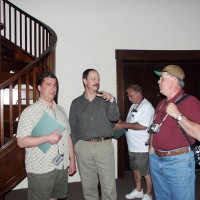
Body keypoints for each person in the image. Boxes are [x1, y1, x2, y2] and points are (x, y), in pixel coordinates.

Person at [17, 72, 76, 200]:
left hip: (61, 165)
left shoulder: (61, 110)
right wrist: (47, 138)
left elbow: (68, 136)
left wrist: (72, 160)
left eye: (55, 85)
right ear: (39, 88)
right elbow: (21, 142)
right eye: (48, 85)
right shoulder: (29, 112)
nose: (53, 88)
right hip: (41, 167)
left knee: (54, 197)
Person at [149, 65, 200, 200]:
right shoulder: (160, 104)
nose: (158, 81)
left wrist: (178, 115)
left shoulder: (190, 101)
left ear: (173, 80)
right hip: (156, 159)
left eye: (161, 78)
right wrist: (151, 151)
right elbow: (155, 128)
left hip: (178, 162)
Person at [69, 68, 120, 200]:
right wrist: (76, 146)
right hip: (84, 147)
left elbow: (115, 118)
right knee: (89, 186)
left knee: (108, 186)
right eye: (93, 79)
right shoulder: (76, 103)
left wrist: (112, 101)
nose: (96, 81)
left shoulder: (106, 100)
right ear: (85, 81)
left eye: (98, 79)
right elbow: (72, 127)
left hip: (104, 146)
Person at [115, 85, 154, 200]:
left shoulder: (146, 106)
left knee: (146, 173)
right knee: (135, 170)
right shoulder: (134, 105)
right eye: (128, 96)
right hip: (132, 146)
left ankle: (148, 194)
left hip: (142, 147)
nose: (129, 98)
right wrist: (122, 123)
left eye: (131, 95)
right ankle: (138, 190)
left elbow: (142, 126)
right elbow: (131, 122)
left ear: (138, 93)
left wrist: (124, 125)